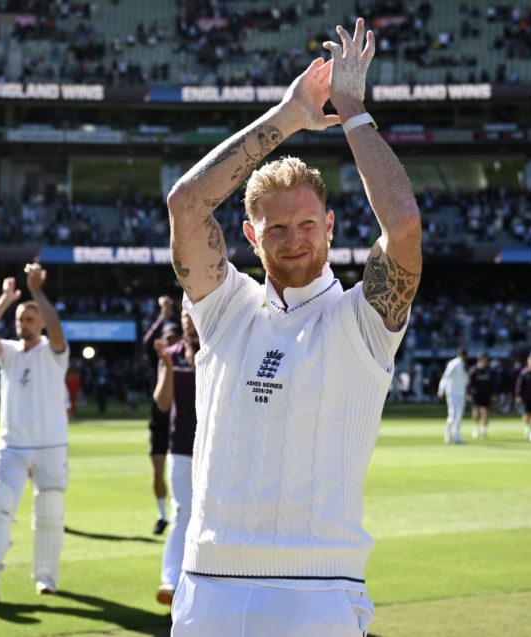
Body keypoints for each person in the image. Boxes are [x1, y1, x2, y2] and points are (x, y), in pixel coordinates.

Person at [166, 18, 421, 636]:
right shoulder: (225, 308)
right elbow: (186, 205)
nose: (294, 239)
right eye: (275, 228)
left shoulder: (362, 319)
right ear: (250, 235)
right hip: (208, 584)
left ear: (329, 226)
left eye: (307, 224)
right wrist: (288, 115)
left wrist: (351, 109)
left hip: (319, 589)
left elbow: (403, 226)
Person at [0, 263, 69, 601]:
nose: (25, 324)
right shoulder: (7, 352)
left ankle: (46, 578)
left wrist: (36, 290)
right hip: (12, 446)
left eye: (31, 319)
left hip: (50, 445)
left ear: (40, 323)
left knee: (49, 512)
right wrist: (6, 299)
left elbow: (56, 327)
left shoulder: (54, 352)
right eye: (21, 319)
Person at [152, 310, 199, 606]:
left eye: (192, 312)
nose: (187, 318)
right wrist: (168, 367)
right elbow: (162, 402)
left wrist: (195, 353)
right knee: (182, 513)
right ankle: (170, 582)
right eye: (184, 313)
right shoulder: (170, 354)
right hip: (181, 447)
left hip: (215, 447)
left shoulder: (220, 344)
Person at [142, 295, 178, 535]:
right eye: (166, 338)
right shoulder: (158, 359)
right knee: (157, 469)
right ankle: (162, 515)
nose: (169, 341)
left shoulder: (187, 355)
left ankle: (179, 512)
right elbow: (147, 342)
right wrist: (161, 318)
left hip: (182, 416)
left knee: (182, 470)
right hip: (159, 417)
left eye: (173, 337)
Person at [437, 350, 469, 444]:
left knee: (459, 416)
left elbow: (466, 380)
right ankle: (448, 434)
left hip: (461, 393)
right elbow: (446, 376)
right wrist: (441, 390)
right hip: (452, 393)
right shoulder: (454, 363)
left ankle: (457, 436)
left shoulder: (464, 365)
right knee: (453, 414)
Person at [468, 353, 495, 440]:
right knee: (476, 411)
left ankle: (484, 430)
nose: (484, 361)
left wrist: (494, 393)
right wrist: (469, 393)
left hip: (487, 394)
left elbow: (493, 383)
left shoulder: (490, 370)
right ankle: (476, 429)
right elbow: (469, 383)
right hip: (476, 394)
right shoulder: (474, 370)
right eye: (482, 359)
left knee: (486, 412)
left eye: (485, 359)